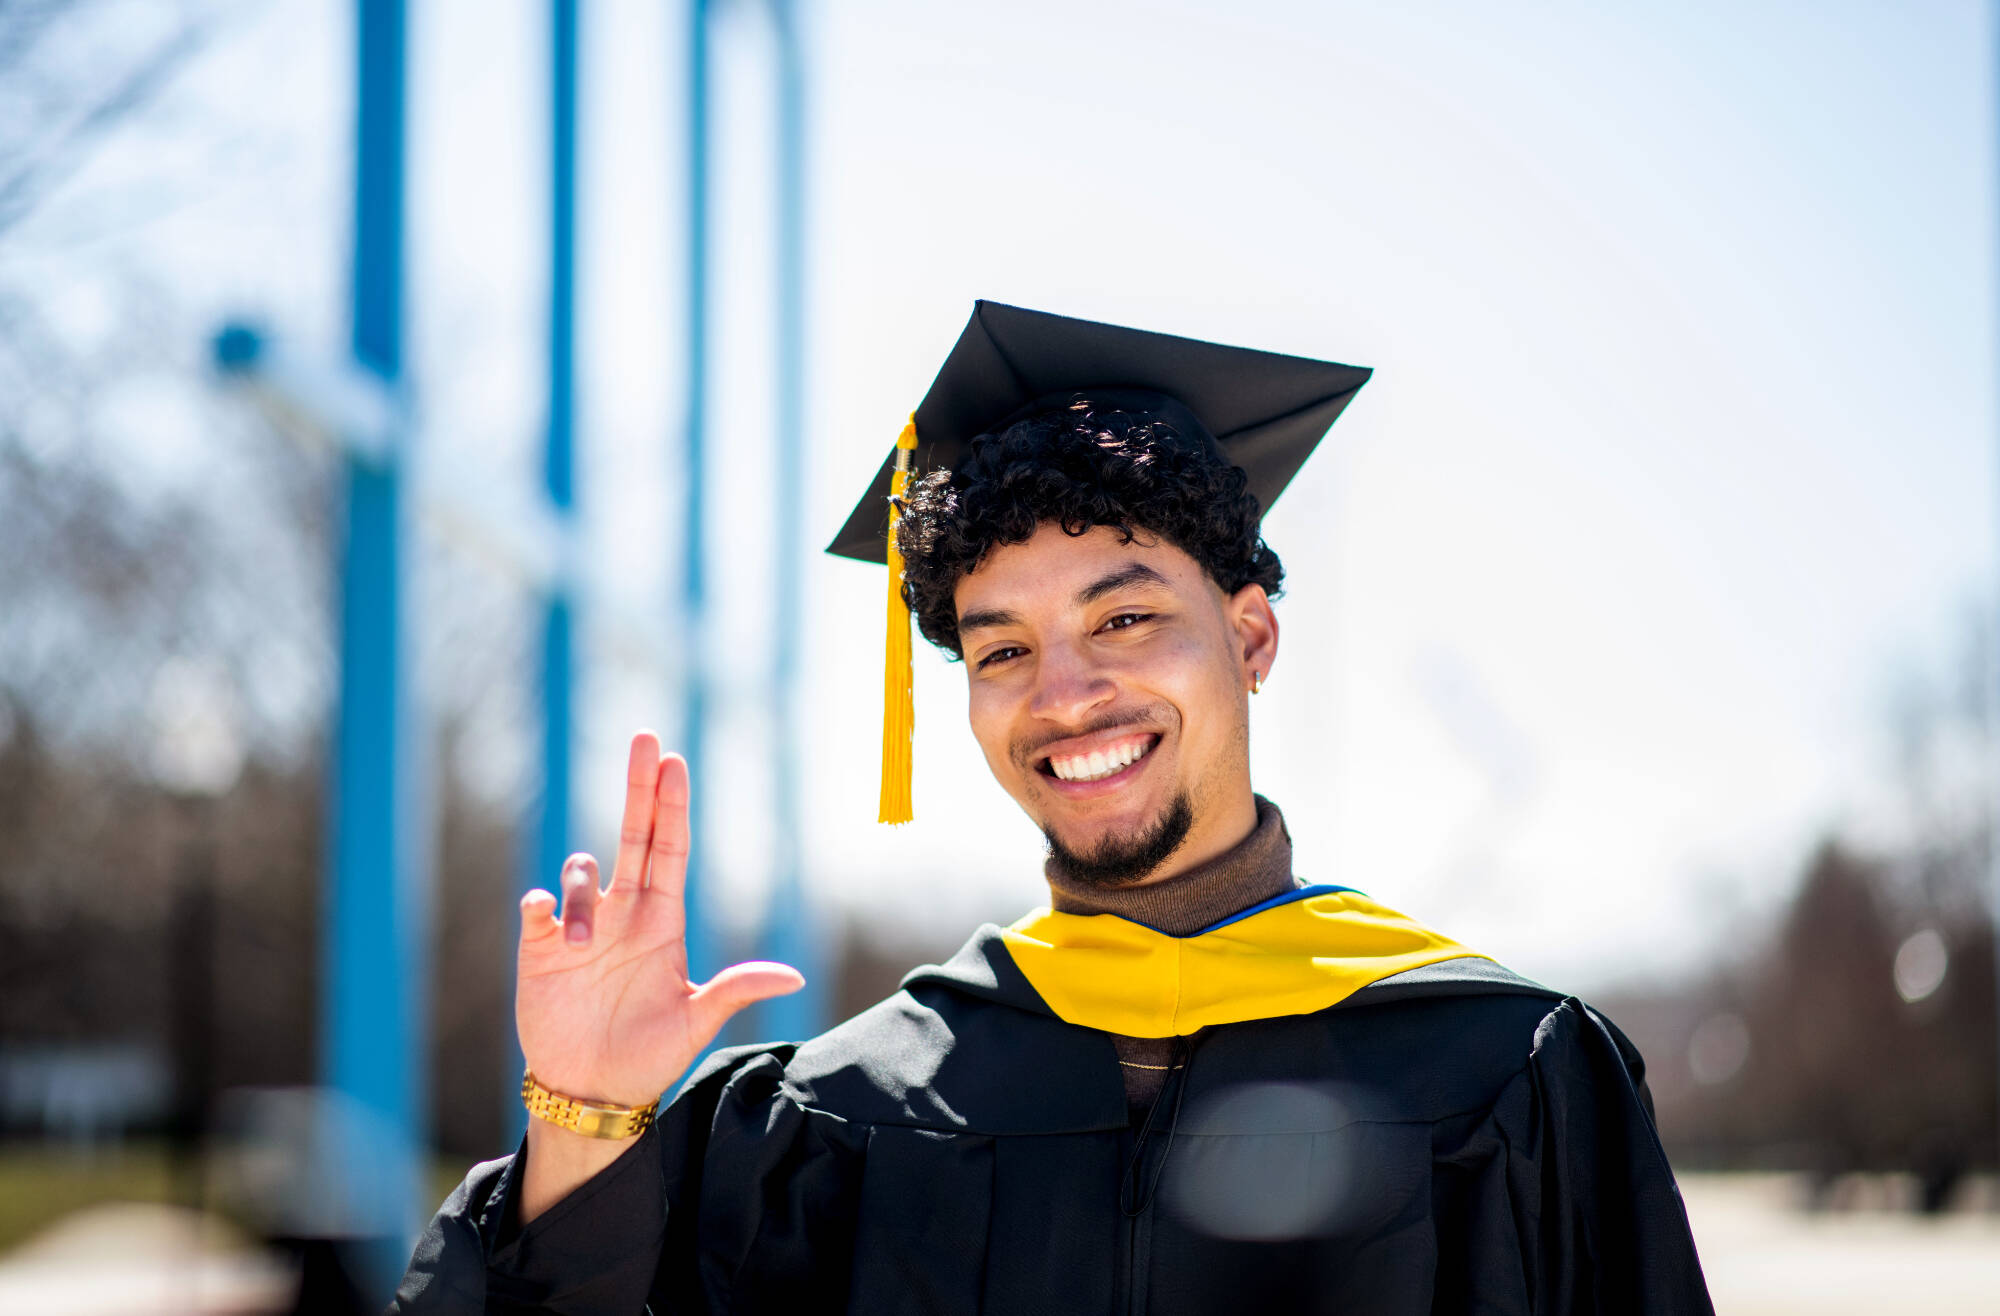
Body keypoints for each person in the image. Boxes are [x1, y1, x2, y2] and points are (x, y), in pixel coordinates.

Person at [391, 302, 1715, 1314]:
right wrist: (582, 1117)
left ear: (1251, 636)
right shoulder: (833, 1123)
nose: (1066, 695)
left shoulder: (1512, 1075)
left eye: (1127, 617)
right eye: (1003, 648)